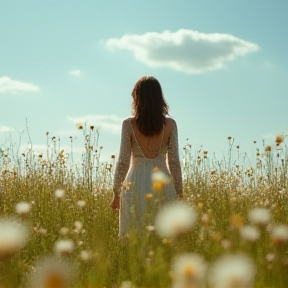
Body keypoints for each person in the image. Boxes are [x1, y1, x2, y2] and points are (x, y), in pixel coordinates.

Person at [110, 76, 183, 237]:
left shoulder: (128, 125)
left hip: (134, 184)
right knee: (163, 238)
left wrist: (116, 192)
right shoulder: (170, 125)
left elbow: (123, 161)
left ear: (138, 98)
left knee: (133, 239)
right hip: (163, 184)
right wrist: (179, 194)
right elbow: (174, 162)